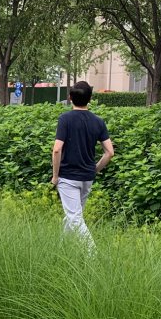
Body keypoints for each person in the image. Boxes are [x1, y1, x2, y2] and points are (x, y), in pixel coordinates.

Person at [51, 80, 114, 246]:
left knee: (75, 218)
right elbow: (109, 153)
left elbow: (57, 150)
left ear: (70, 97)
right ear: (90, 98)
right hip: (87, 178)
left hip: (68, 178)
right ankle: (61, 249)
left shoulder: (65, 119)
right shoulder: (98, 121)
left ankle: (93, 256)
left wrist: (55, 176)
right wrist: (95, 170)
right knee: (73, 215)